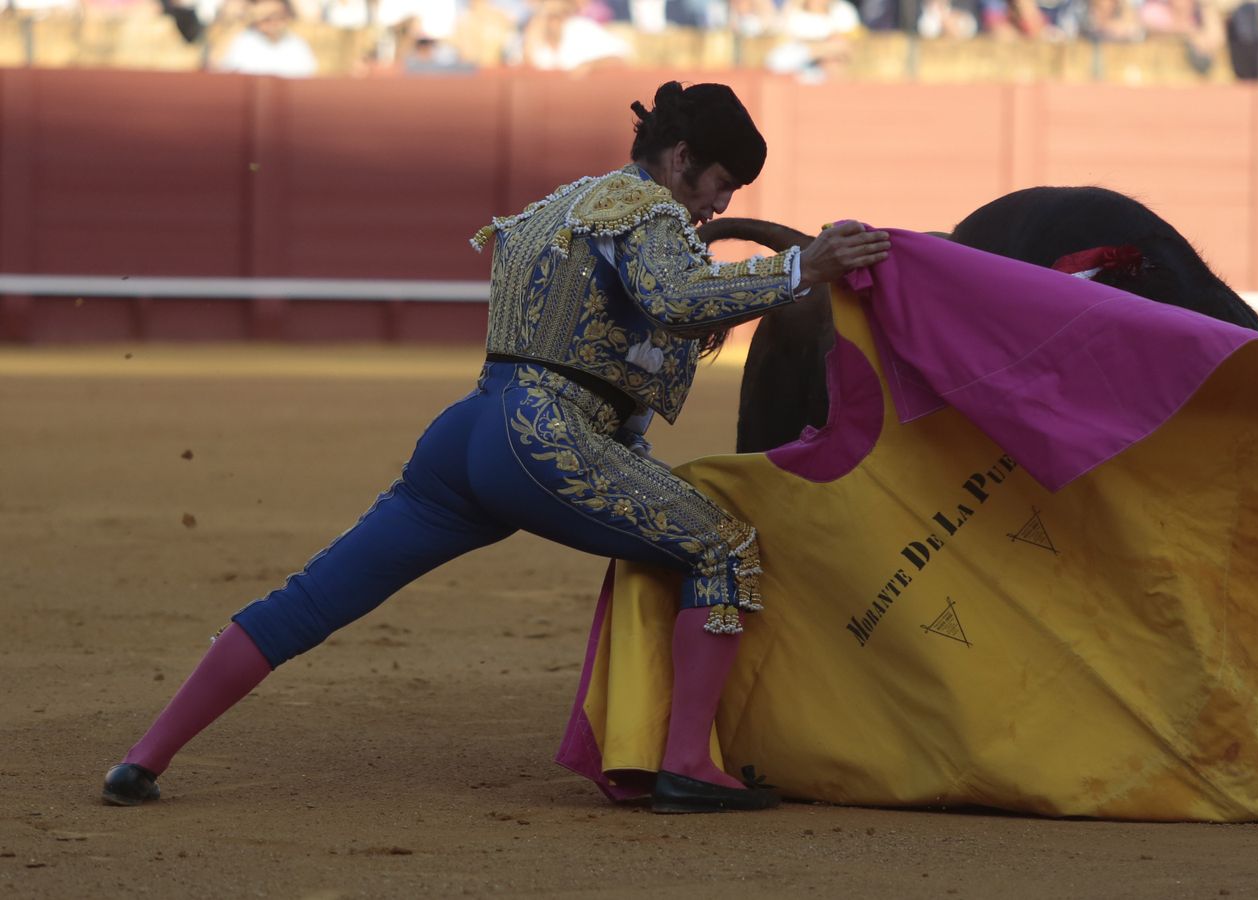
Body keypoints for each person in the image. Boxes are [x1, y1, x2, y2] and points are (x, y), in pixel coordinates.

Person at [99, 80, 891, 815]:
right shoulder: (646, 210)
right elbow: (675, 302)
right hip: (546, 436)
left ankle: (143, 757)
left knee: (313, 597)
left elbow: (635, 322)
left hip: (471, 432)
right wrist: (799, 267)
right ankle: (688, 762)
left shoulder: (563, 205)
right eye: (719, 180)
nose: (720, 201)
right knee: (722, 546)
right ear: (680, 159)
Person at [212, 0, 319, 77]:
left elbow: (307, 76)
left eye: (279, 16)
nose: (273, 22)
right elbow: (225, 72)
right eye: (267, 18)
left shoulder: (297, 45)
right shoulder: (242, 41)